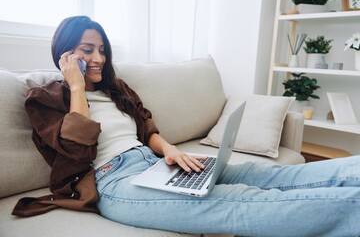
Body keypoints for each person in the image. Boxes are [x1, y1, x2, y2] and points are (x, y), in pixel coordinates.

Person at [13, 15, 360, 236]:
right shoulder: (44, 98)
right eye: (87, 49)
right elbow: (78, 148)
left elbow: (146, 129)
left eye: (102, 49)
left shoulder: (115, 89)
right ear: (65, 53)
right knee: (241, 202)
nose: (99, 58)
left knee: (264, 174)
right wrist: (75, 87)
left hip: (153, 164)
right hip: (114, 184)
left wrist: (172, 150)